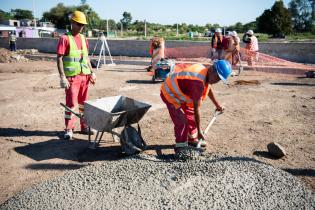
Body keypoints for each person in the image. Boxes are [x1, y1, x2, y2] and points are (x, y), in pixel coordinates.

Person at [160, 60, 232, 155]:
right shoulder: (197, 83)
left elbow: (208, 88)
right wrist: (199, 131)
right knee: (182, 121)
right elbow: (196, 109)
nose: (217, 81)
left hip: (182, 92)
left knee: (191, 117)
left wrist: (217, 105)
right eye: (218, 78)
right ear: (212, 70)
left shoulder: (205, 73)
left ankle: (192, 139)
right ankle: (181, 147)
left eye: (219, 80)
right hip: (170, 93)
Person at [57, 11, 96, 140]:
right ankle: (69, 129)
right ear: (72, 23)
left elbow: (86, 58)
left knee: (83, 104)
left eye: (82, 25)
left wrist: (92, 72)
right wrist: (62, 76)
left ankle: (84, 126)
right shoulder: (65, 38)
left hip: (84, 76)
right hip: (72, 77)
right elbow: (59, 58)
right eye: (78, 24)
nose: (81, 27)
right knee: (71, 104)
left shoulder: (84, 39)